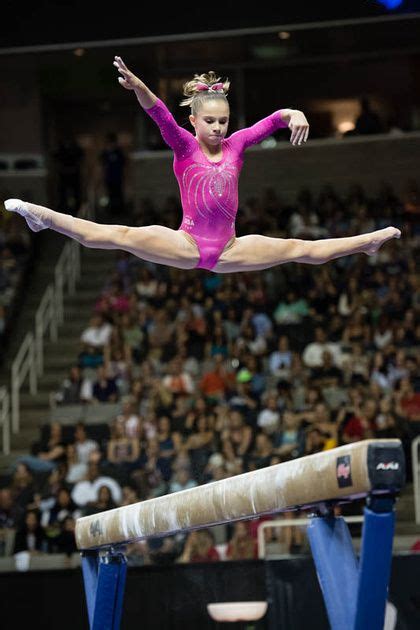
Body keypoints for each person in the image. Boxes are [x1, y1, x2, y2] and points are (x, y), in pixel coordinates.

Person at [4, 57, 400, 274]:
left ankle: (367, 242)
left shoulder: (237, 144)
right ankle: (43, 217)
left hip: (230, 248)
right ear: (194, 122)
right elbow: (158, 113)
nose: (217, 127)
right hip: (188, 243)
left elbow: (272, 120)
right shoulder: (183, 146)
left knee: (301, 248)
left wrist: (293, 113)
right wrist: (139, 87)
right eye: (209, 121)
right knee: (116, 234)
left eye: (223, 121)